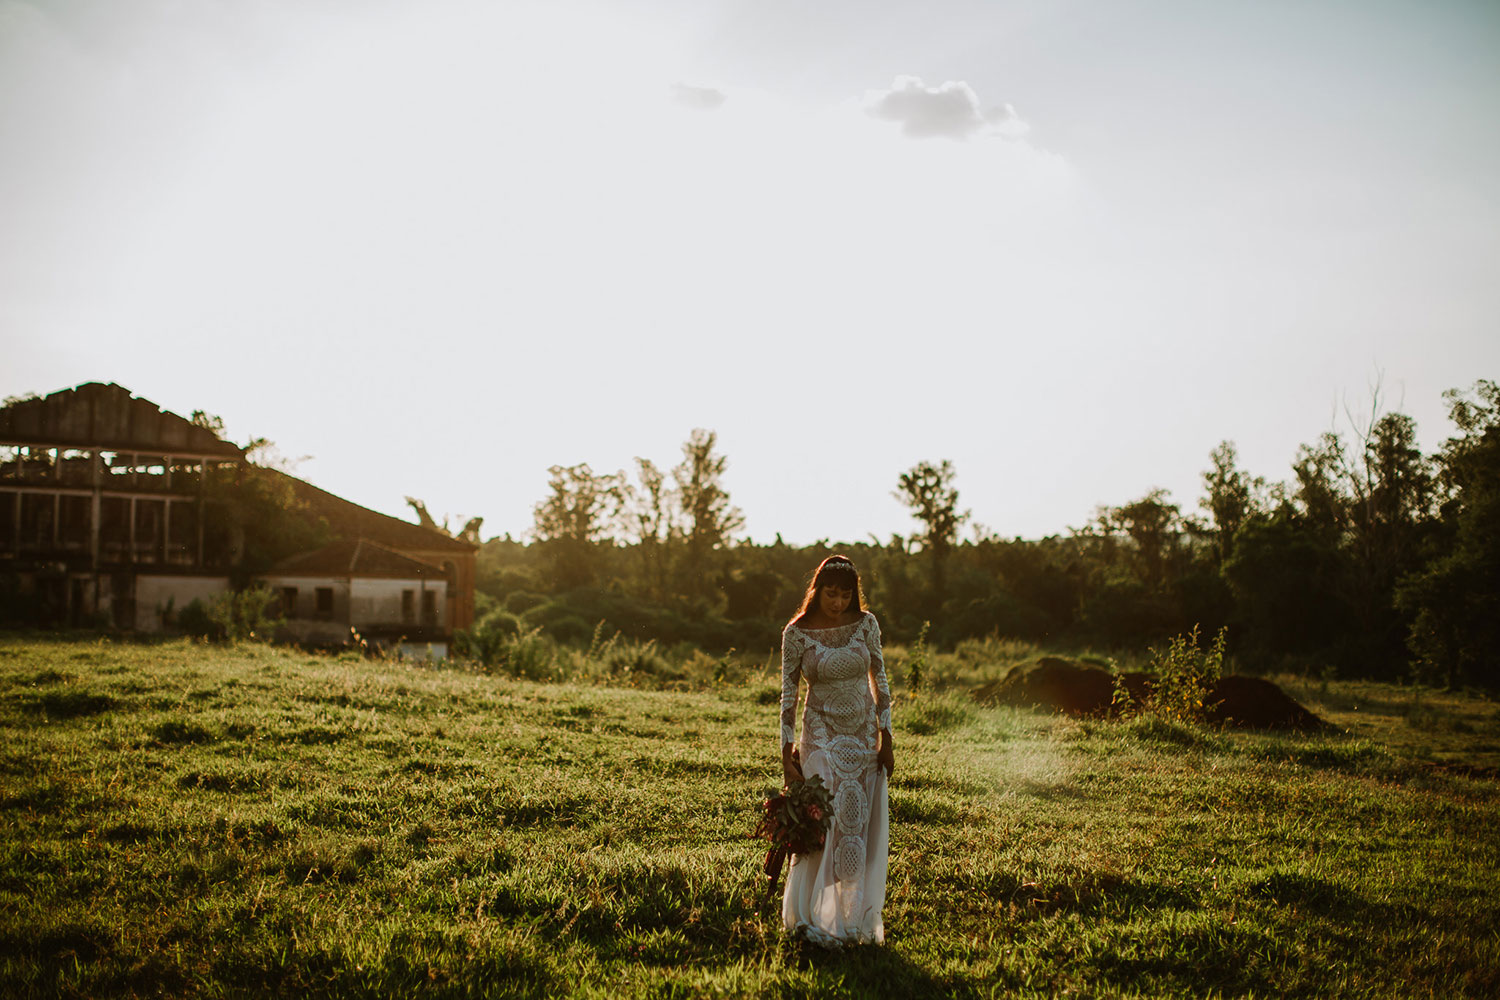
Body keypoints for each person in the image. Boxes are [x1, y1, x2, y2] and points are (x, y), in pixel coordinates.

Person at [779, 554, 893, 946]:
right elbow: (788, 697)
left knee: (856, 825)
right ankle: (813, 915)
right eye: (831, 594)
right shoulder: (797, 633)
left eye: (846, 595)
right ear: (817, 590)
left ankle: (852, 917)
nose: (838, 602)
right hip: (820, 734)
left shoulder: (866, 625)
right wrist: (786, 757)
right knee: (825, 821)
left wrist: (887, 735)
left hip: (862, 736)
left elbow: (879, 676)